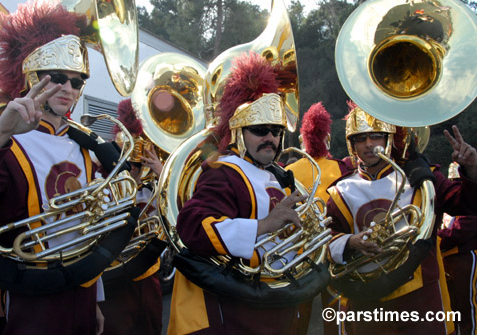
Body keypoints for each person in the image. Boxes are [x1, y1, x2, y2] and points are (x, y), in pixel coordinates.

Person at [0, 2, 133, 334]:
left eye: (78, 82)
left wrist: (97, 298)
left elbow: (88, 227)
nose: (68, 89)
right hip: (32, 294)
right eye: (58, 78)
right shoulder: (4, 140)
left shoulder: (85, 145)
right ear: (32, 76)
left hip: (83, 288)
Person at [167, 52, 312, 334]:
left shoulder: (276, 175)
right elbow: (192, 226)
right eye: (259, 130)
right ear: (237, 132)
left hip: (276, 304)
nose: (270, 138)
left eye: (276, 130)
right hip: (238, 313)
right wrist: (264, 226)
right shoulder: (225, 171)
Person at [326, 102, 477, 334]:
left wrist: (472, 170)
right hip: (368, 304)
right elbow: (325, 241)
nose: (368, 144)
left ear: (389, 139)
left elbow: (466, 204)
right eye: (360, 138)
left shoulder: (423, 179)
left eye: (376, 136)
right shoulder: (340, 191)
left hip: (420, 303)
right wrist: (350, 242)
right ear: (351, 144)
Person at [286, 102, 352, 335]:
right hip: (334, 251)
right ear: (326, 137)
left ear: (304, 138)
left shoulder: (289, 170)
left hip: (300, 256)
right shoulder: (342, 166)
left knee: (296, 321)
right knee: (337, 320)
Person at [99, 98, 164, 335]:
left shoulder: (153, 188)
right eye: (128, 164)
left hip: (148, 274)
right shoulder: (103, 186)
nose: (133, 170)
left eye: (138, 164)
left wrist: (163, 174)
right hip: (114, 279)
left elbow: (181, 210)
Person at [438, 162, 477, 335]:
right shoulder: (449, 203)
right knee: (452, 308)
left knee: (468, 305)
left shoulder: (471, 204)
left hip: (466, 258)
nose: (458, 186)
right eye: (454, 181)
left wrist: (433, 238)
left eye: (460, 181)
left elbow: (460, 230)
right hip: (447, 260)